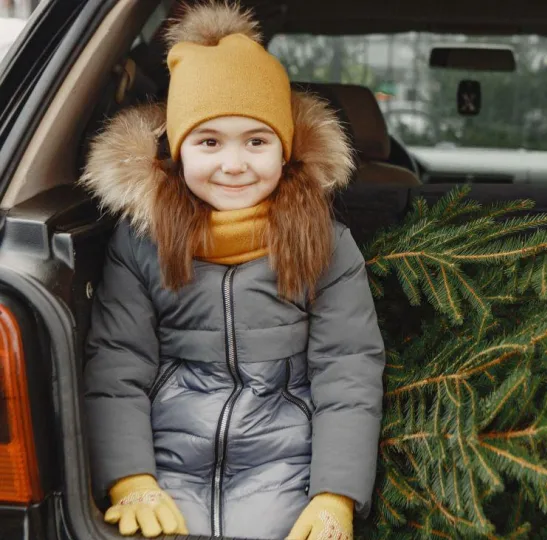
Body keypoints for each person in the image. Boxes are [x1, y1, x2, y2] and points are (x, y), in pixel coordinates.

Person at [80, 3, 385, 539]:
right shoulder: (141, 242)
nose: (235, 164)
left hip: (287, 462)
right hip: (166, 458)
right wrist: (131, 478)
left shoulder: (325, 241)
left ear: (286, 148)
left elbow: (348, 371)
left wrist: (334, 496)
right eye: (209, 142)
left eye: (257, 140)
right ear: (177, 149)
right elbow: (117, 365)